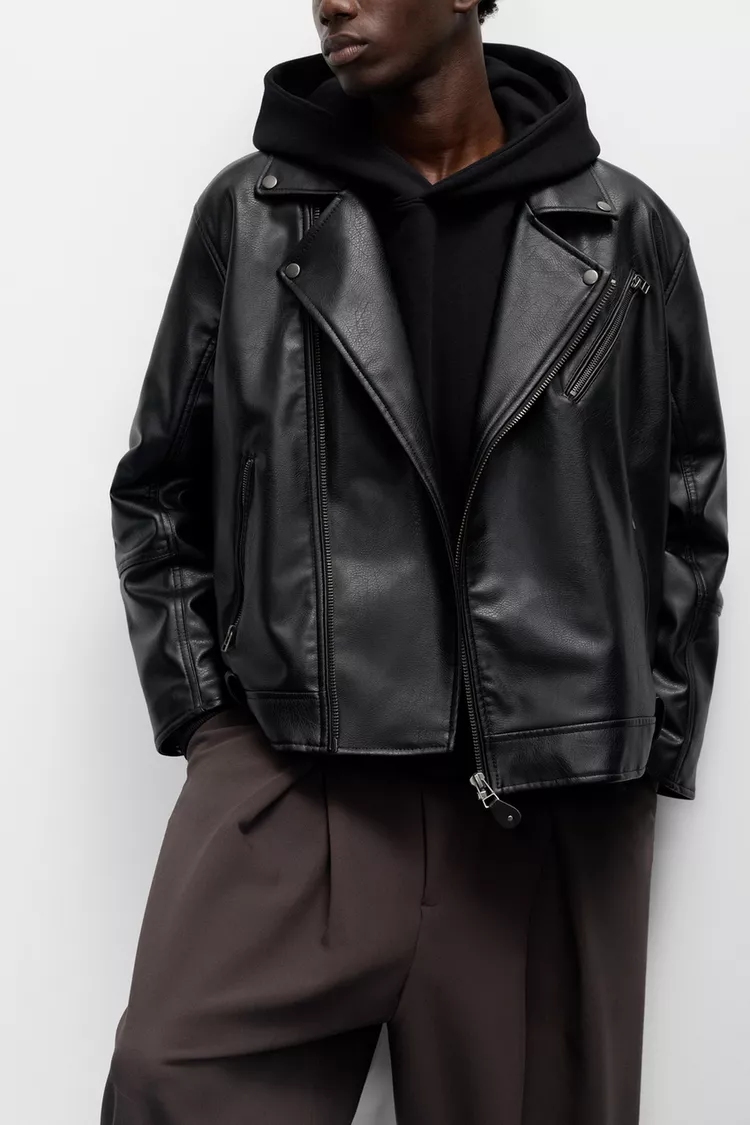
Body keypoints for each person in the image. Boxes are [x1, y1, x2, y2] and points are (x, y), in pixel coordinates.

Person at [100, 1, 729, 1122]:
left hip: (544, 809)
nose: (332, 0)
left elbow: (688, 507)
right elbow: (158, 492)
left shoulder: (623, 232)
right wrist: (212, 728)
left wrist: (640, 752)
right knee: (170, 1081)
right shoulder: (252, 217)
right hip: (299, 778)